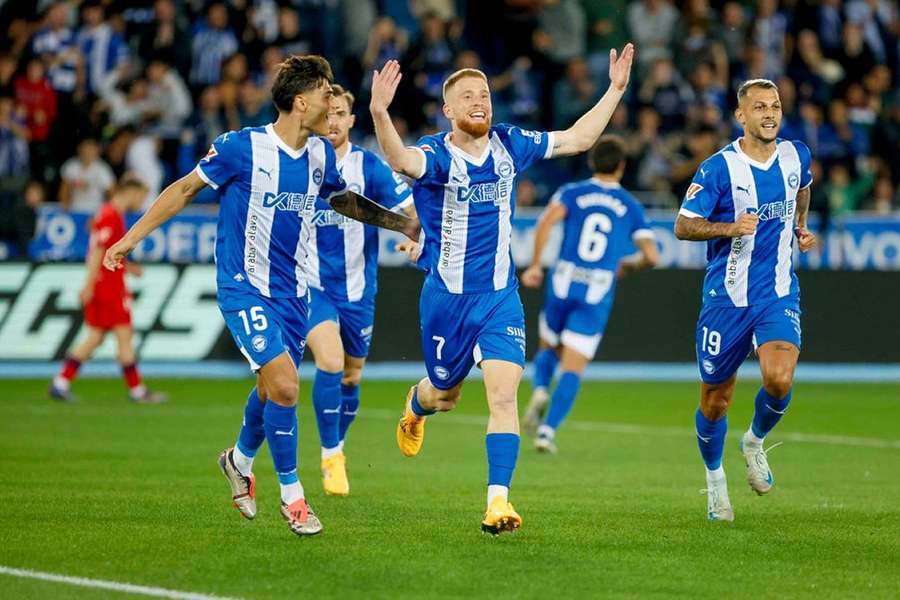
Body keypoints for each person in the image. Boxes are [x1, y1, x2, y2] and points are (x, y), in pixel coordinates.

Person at [101, 55, 418, 537]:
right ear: (299, 102)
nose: (333, 101)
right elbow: (185, 189)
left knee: (271, 387)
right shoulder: (241, 148)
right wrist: (131, 237)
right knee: (288, 386)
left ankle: (238, 460)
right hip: (244, 286)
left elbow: (343, 201)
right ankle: (293, 497)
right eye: (325, 92)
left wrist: (405, 223)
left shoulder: (319, 156)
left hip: (294, 295)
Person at [369, 43, 634, 535]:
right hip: (447, 301)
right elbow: (400, 159)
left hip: (500, 299)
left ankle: (498, 502)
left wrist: (615, 90)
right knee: (444, 395)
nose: (480, 101)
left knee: (504, 397)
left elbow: (577, 139)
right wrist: (381, 112)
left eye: (485, 93)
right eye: (467, 95)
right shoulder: (435, 154)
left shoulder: (511, 144)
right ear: (448, 110)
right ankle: (416, 404)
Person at [673, 79, 817, 522]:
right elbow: (683, 225)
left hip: (776, 293)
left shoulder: (796, 154)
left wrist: (800, 225)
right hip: (726, 300)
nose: (770, 113)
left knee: (779, 379)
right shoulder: (718, 169)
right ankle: (716, 483)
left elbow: (801, 188)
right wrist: (728, 228)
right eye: (760, 107)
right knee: (715, 400)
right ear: (741, 116)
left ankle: (753, 442)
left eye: (775, 105)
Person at [304, 84, 415, 497]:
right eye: (326, 113)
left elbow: (407, 209)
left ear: (351, 120)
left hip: (358, 290)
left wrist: (414, 234)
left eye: (339, 114)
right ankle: (330, 454)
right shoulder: (300, 162)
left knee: (352, 374)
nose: (332, 121)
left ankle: (339, 446)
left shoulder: (368, 166)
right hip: (310, 286)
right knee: (330, 361)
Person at [520, 135, 659, 453]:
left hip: (563, 279)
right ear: (622, 166)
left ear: (592, 162)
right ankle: (547, 432)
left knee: (548, 345)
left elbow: (544, 223)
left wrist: (536, 265)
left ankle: (541, 387)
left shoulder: (572, 192)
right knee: (573, 367)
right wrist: (628, 265)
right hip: (596, 288)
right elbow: (651, 255)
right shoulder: (630, 205)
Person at [49, 174, 165, 404]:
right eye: (141, 196)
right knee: (124, 336)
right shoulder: (112, 216)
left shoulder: (107, 213)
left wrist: (128, 268)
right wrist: (88, 285)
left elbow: (104, 252)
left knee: (95, 338)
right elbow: (98, 254)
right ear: (130, 192)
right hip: (108, 287)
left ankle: (61, 382)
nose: (141, 201)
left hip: (106, 283)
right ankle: (137, 390)